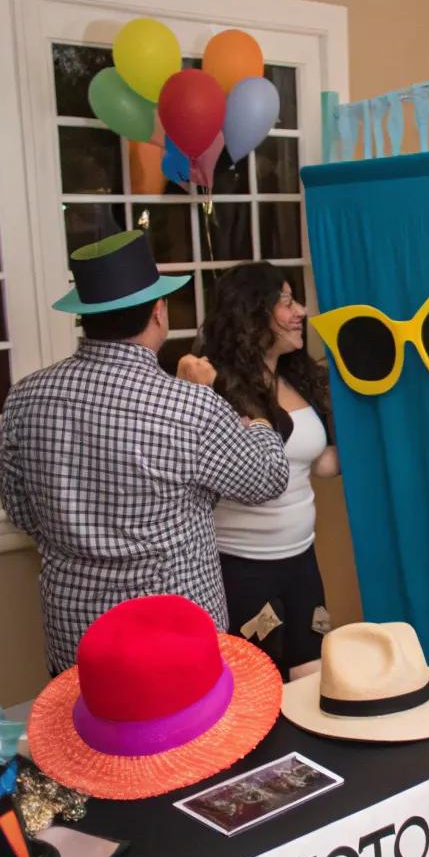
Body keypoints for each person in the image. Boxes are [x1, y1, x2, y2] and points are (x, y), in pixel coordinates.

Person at [0, 231, 289, 674]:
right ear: (158, 311)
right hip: (173, 640)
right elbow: (267, 478)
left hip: (76, 638)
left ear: (86, 317)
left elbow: (20, 511)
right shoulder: (187, 405)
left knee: (87, 740)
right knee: (188, 743)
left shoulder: (25, 397)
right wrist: (259, 425)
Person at [177, 262, 339, 682]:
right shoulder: (215, 385)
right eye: (286, 302)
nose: (300, 310)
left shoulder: (296, 379)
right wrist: (196, 393)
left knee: (314, 674)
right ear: (251, 313)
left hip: (302, 559)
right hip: (242, 567)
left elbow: (317, 463)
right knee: (260, 684)